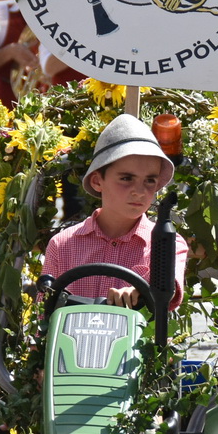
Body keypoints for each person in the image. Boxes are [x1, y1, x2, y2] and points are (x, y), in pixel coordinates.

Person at [41, 115, 187, 308]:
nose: (140, 191)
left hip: (137, 339)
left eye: (150, 180)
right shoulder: (62, 244)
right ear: (97, 181)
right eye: (126, 178)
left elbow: (169, 290)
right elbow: (44, 316)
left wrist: (142, 291)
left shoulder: (167, 242)